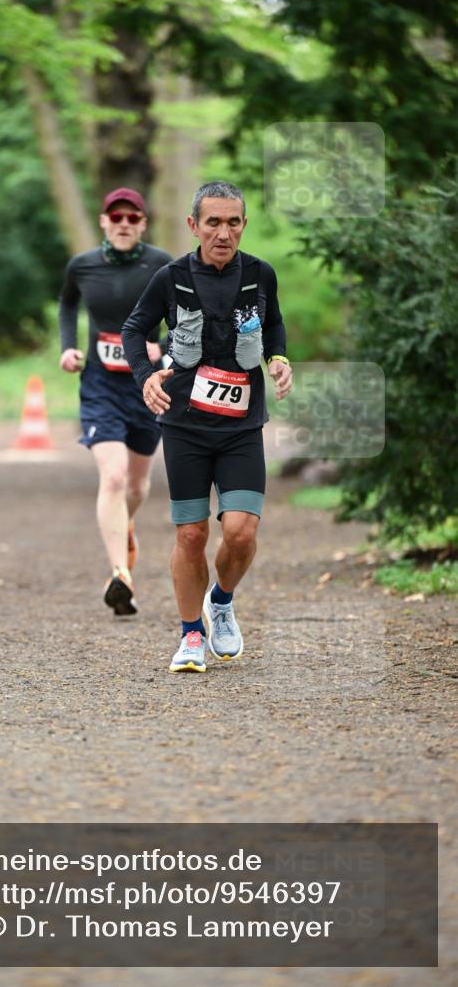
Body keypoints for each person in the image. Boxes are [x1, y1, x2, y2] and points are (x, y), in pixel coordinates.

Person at [122, 181, 293, 671]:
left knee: (240, 533)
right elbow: (135, 330)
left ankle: (220, 601)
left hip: (241, 425)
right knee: (192, 535)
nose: (224, 232)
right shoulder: (170, 277)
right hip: (185, 425)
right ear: (194, 226)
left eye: (233, 222)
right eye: (213, 222)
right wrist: (144, 377)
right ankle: (191, 635)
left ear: (243, 224)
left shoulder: (261, 274)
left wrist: (278, 357)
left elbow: (274, 323)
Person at [59, 188, 173, 615]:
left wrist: (164, 346)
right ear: (104, 221)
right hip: (100, 387)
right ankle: (119, 574)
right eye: (116, 216)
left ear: (142, 223)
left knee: (138, 487)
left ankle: (123, 525)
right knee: (113, 477)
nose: (124, 223)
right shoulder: (83, 265)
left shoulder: (162, 264)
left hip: (147, 386)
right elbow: (67, 303)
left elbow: (183, 314)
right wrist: (68, 347)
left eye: (132, 217)